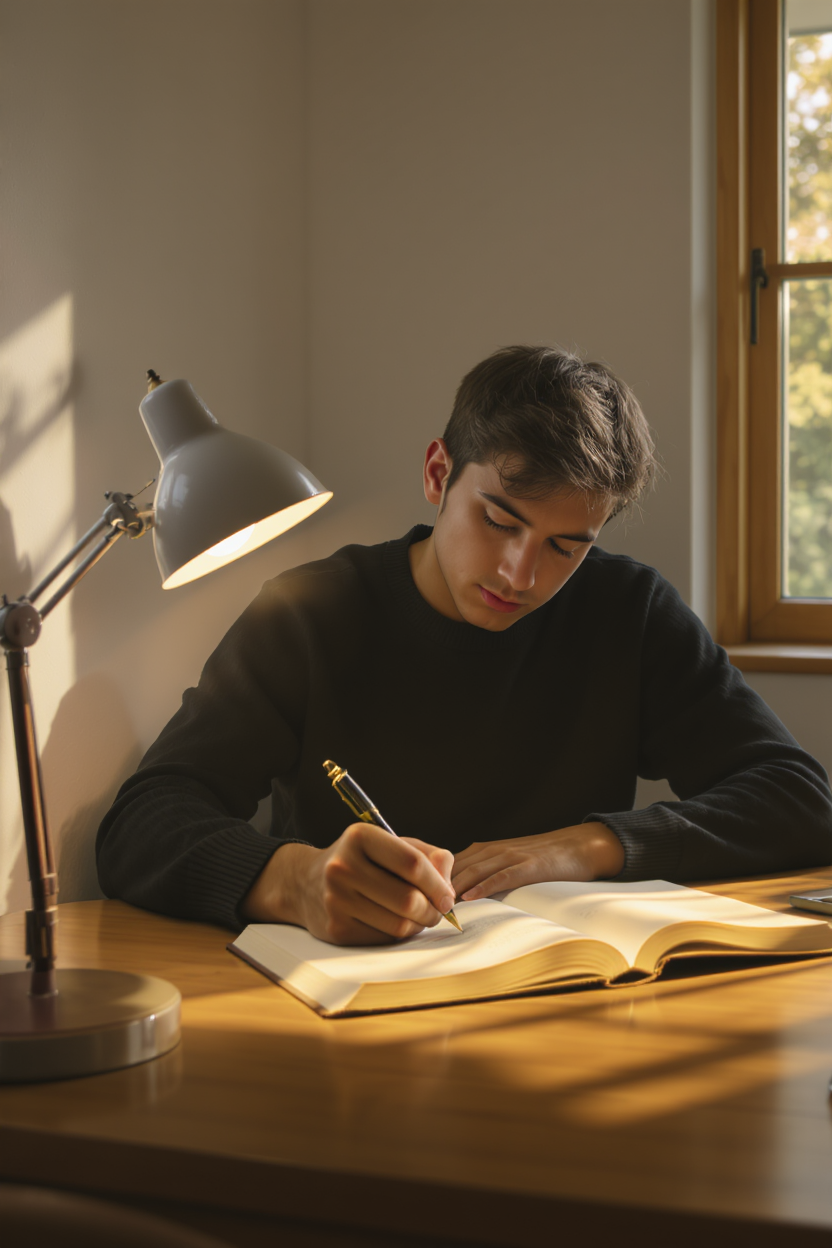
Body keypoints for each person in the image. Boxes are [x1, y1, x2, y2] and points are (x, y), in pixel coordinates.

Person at [96, 346, 832, 944]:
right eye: (500, 522)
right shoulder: (311, 613)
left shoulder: (627, 610)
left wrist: (584, 846)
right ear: (438, 473)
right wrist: (291, 880)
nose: (522, 574)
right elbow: (143, 822)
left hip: (573, 1003)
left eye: (567, 546)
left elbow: (799, 801)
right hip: (349, 1017)